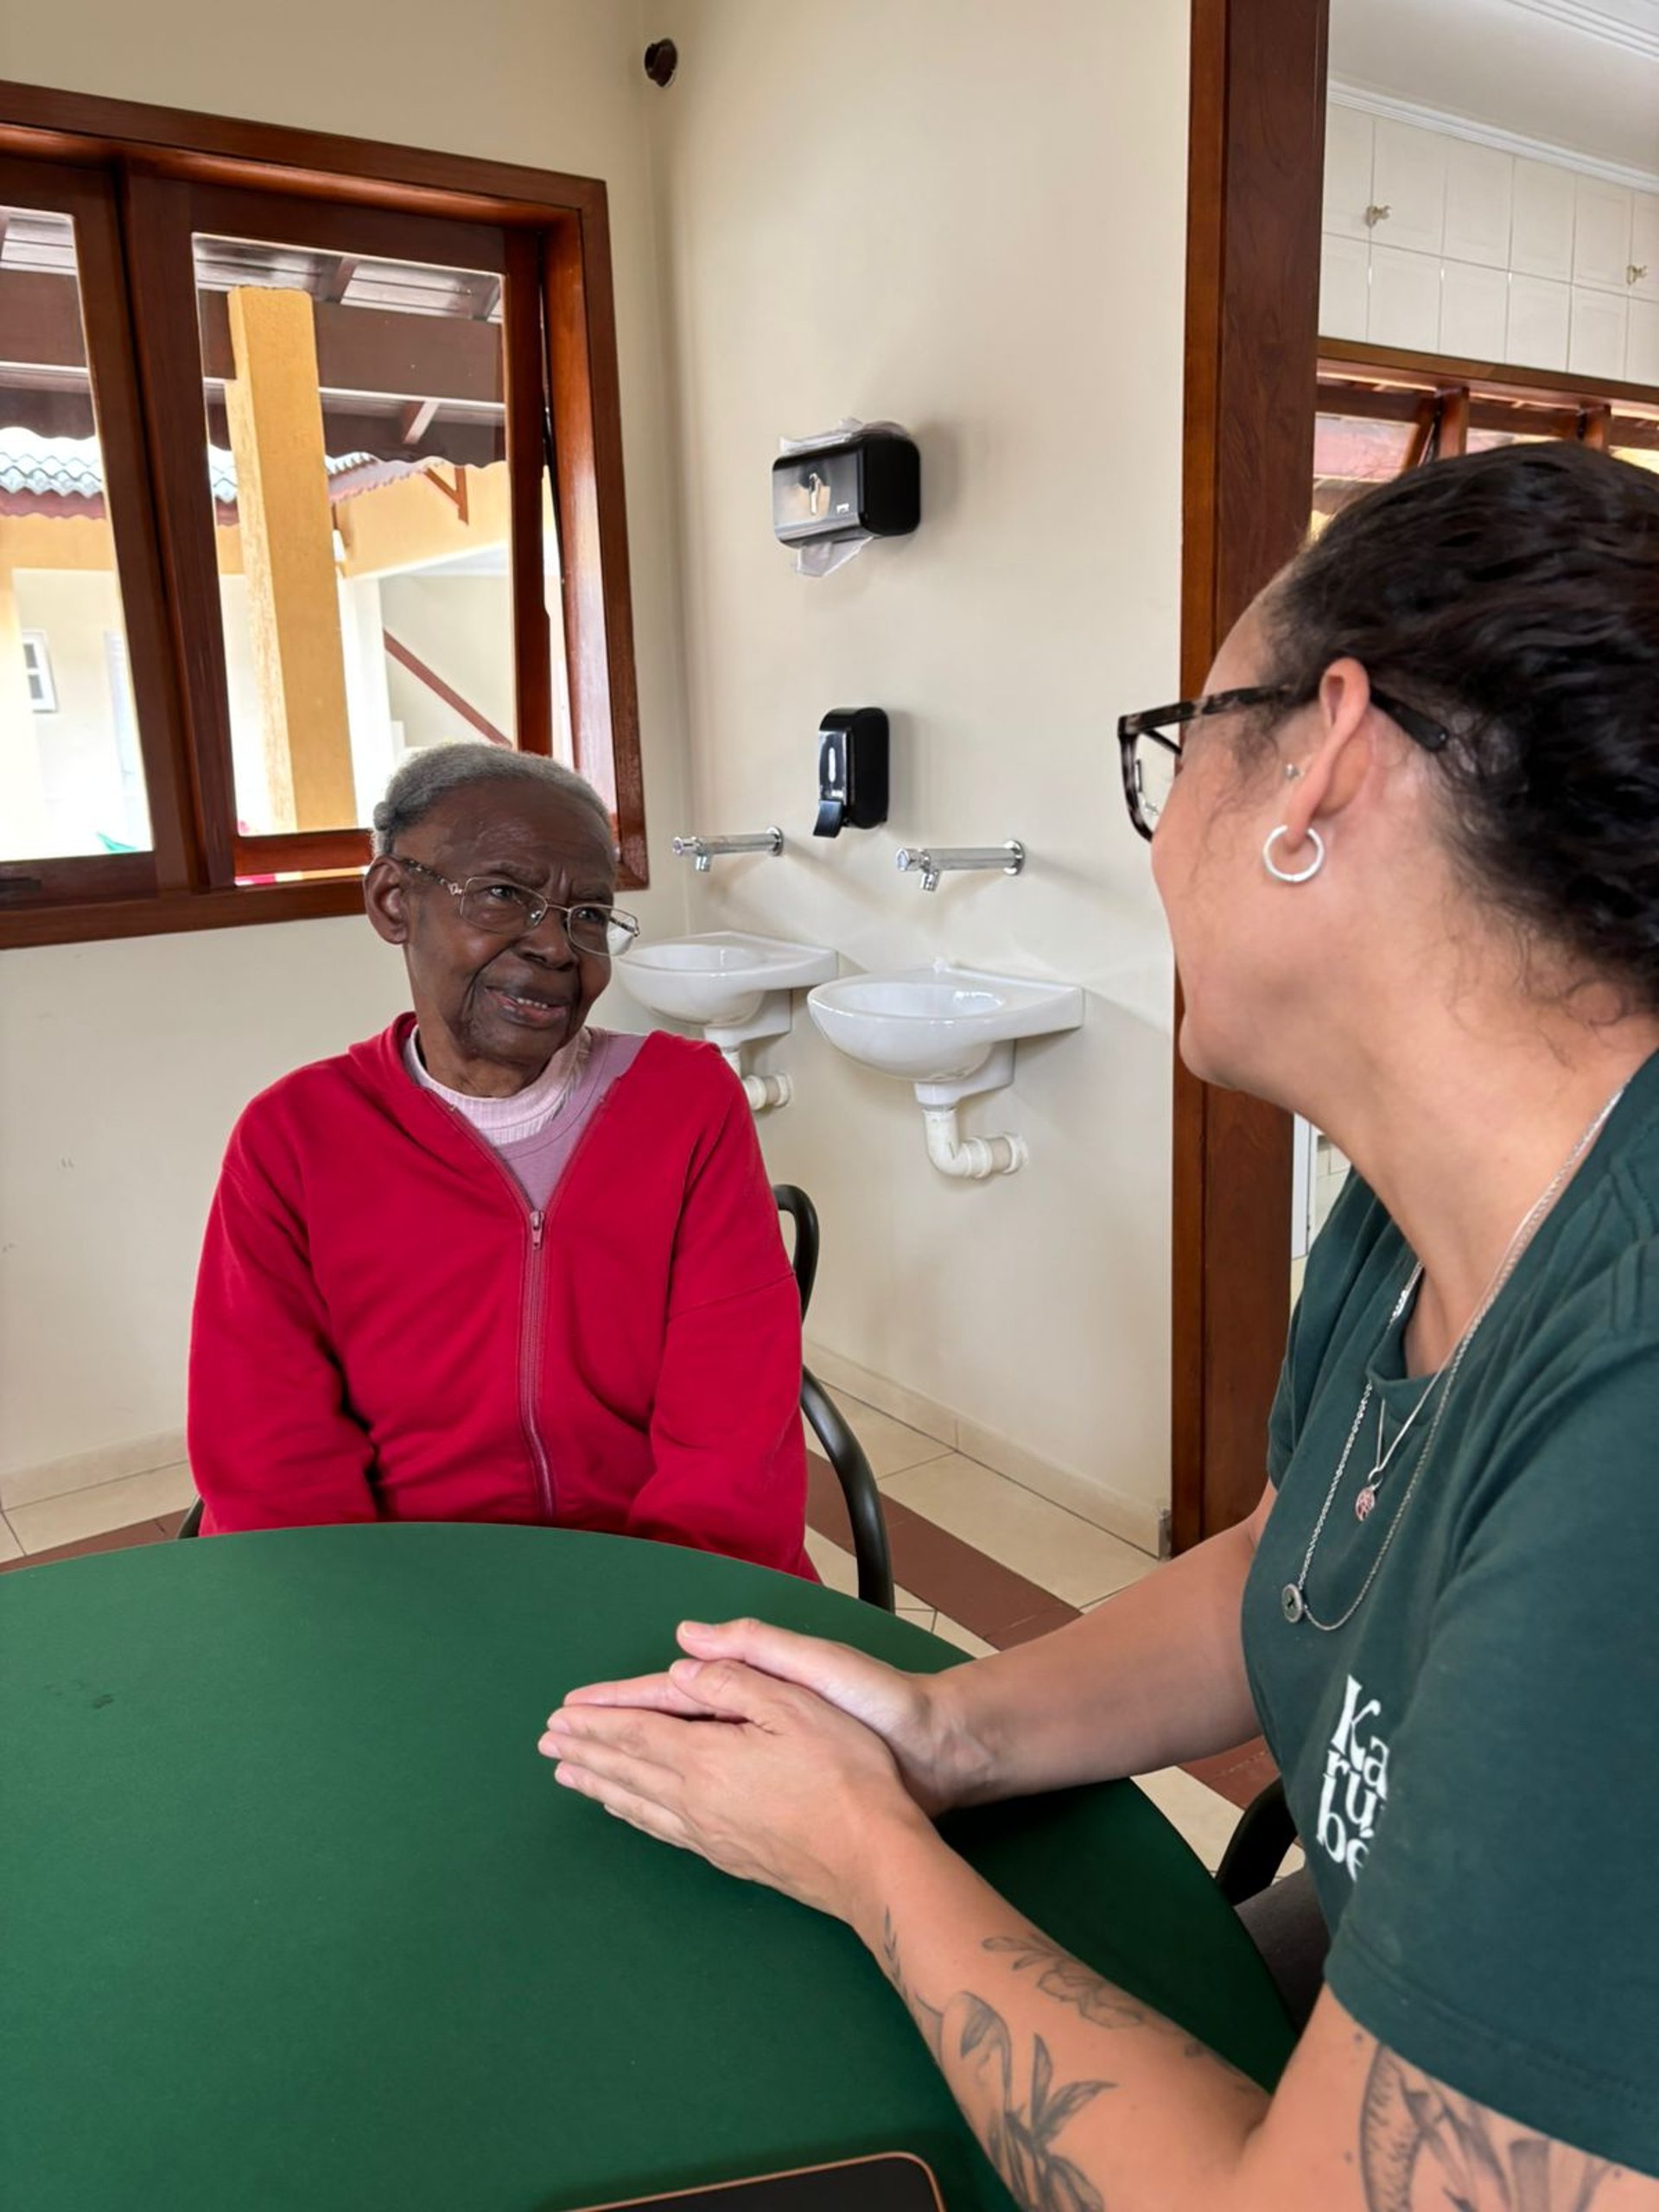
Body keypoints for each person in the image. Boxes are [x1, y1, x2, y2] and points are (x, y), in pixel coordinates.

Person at [538, 443, 1659, 2205]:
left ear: (1323, 760)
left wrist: (863, 1851)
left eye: (1179, 742)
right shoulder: (1403, 1215)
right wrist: (949, 1728)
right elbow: (1305, 1558)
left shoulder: (1634, 1403)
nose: (1159, 843)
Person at [188, 744, 812, 1579]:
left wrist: (670, 1615)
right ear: (392, 901)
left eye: (588, 914)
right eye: (503, 895)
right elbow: (269, 1446)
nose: (556, 946)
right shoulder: (294, 1137)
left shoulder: (687, 1104)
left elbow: (733, 1432)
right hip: (404, 1579)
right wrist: (351, 1619)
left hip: (647, 1571)